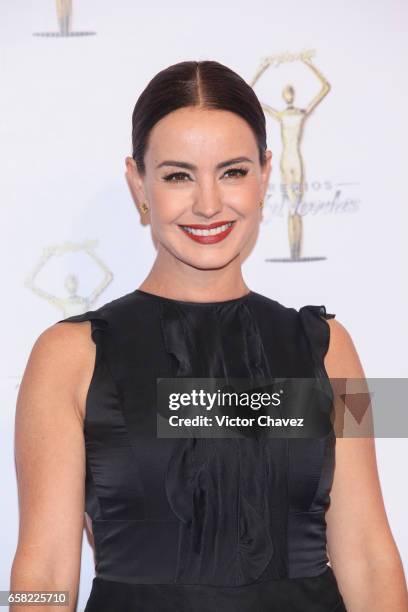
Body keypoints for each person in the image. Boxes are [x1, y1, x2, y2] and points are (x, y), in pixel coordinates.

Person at [10, 60, 408, 612]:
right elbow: (44, 567)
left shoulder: (331, 346)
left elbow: (369, 553)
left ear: (266, 174)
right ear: (138, 181)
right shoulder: (67, 357)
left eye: (233, 171)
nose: (208, 203)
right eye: (178, 175)